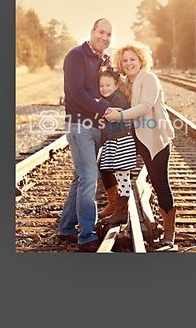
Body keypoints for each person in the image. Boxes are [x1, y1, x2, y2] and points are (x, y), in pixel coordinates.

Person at [105, 45, 176, 248]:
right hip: (133, 137)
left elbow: (145, 105)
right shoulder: (126, 82)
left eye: (132, 59)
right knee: (108, 165)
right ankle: (117, 209)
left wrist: (119, 115)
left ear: (141, 60)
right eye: (125, 60)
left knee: (159, 183)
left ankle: (169, 231)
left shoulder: (149, 79)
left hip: (153, 138)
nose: (128, 63)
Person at [58, 18, 113, 251]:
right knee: (89, 178)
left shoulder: (104, 59)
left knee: (80, 178)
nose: (105, 37)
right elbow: (76, 92)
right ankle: (87, 235)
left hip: (96, 127)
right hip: (79, 126)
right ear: (92, 31)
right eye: (101, 32)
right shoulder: (75, 56)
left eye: (109, 34)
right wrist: (104, 109)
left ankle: (67, 228)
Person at [97, 66, 137, 225]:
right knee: (105, 168)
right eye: (101, 86)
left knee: (122, 176)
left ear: (115, 85)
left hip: (122, 140)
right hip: (113, 140)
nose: (104, 89)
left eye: (108, 85)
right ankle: (114, 205)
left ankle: (121, 211)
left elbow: (110, 116)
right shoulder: (109, 99)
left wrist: (97, 106)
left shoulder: (118, 98)